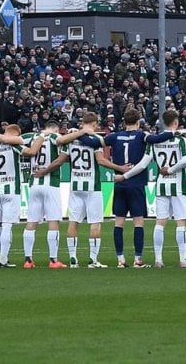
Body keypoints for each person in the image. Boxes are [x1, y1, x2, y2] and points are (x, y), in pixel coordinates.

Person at [115, 109, 186, 268]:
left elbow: (142, 165)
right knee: (181, 223)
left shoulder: (154, 142)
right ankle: (183, 259)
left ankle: (158, 259)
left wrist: (124, 176)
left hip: (161, 185)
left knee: (160, 222)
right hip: (178, 185)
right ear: (176, 123)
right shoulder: (182, 141)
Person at [21, 121, 96, 269]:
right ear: (55, 128)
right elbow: (62, 140)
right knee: (53, 221)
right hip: (51, 184)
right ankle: (53, 260)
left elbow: (15, 139)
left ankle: (28, 260)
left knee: (31, 222)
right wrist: (82, 132)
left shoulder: (33, 137)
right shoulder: (55, 136)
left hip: (34, 183)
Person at [104, 108, 174, 268]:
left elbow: (99, 142)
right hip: (136, 184)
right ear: (138, 121)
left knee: (119, 222)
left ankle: (120, 259)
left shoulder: (114, 136)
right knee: (138, 223)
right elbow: (157, 139)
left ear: (124, 121)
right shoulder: (142, 136)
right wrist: (173, 132)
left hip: (120, 184)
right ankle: (138, 259)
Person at [67, 112, 127, 268]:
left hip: (75, 185)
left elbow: (63, 159)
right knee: (95, 223)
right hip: (92, 187)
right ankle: (93, 260)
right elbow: (101, 160)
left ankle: (73, 258)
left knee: (73, 222)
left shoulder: (71, 138)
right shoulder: (94, 140)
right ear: (94, 124)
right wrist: (119, 168)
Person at [0, 124, 47, 267]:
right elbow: (32, 152)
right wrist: (42, 136)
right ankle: (3, 259)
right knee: (7, 226)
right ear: (15, 134)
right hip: (11, 190)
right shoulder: (14, 146)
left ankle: (2, 258)